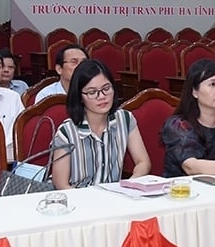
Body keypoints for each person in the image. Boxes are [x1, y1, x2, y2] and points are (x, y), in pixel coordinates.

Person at [51, 60, 151, 189]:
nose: (102, 96)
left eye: (106, 88)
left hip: (113, 198)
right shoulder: (67, 132)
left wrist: (130, 185)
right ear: (80, 96)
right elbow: (60, 184)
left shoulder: (125, 119)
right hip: (78, 200)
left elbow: (143, 162)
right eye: (92, 92)